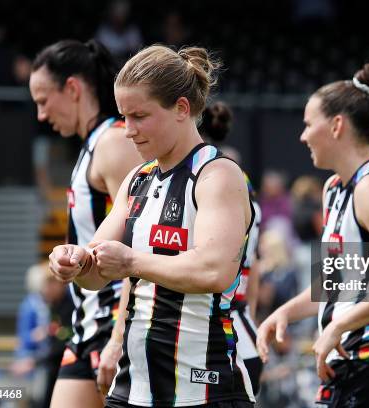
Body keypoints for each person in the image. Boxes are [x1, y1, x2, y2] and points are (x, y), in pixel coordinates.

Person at [48, 44, 255, 408]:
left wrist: (130, 263)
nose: (128, 130)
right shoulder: (138, 178)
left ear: (181, 108)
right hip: (135, 386)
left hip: (203, 388)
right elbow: (96, 274)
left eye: (139, 116)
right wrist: (75, 262)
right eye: (124, 116)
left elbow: (214, 270)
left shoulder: (216, 173)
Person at [257, 63, 369, 407]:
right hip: (350, 363)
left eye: (307, 124)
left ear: (336, 125)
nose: (302, 136)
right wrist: (285, 311)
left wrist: (336, 326)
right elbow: (337, 284)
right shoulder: (334, 188)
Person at [29, 39, 142, 408]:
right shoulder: (94, 145)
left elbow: (138, 246)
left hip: (113, 328)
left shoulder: (112, 143)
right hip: (90, 327)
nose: (41, 115)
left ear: (73, 88)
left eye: (43, 100)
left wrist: (118, 335)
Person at [199, 101, 264, 394]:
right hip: (242, 326)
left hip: (217, 337)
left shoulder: (209, 177)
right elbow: (256, 264)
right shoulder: (242, 179)